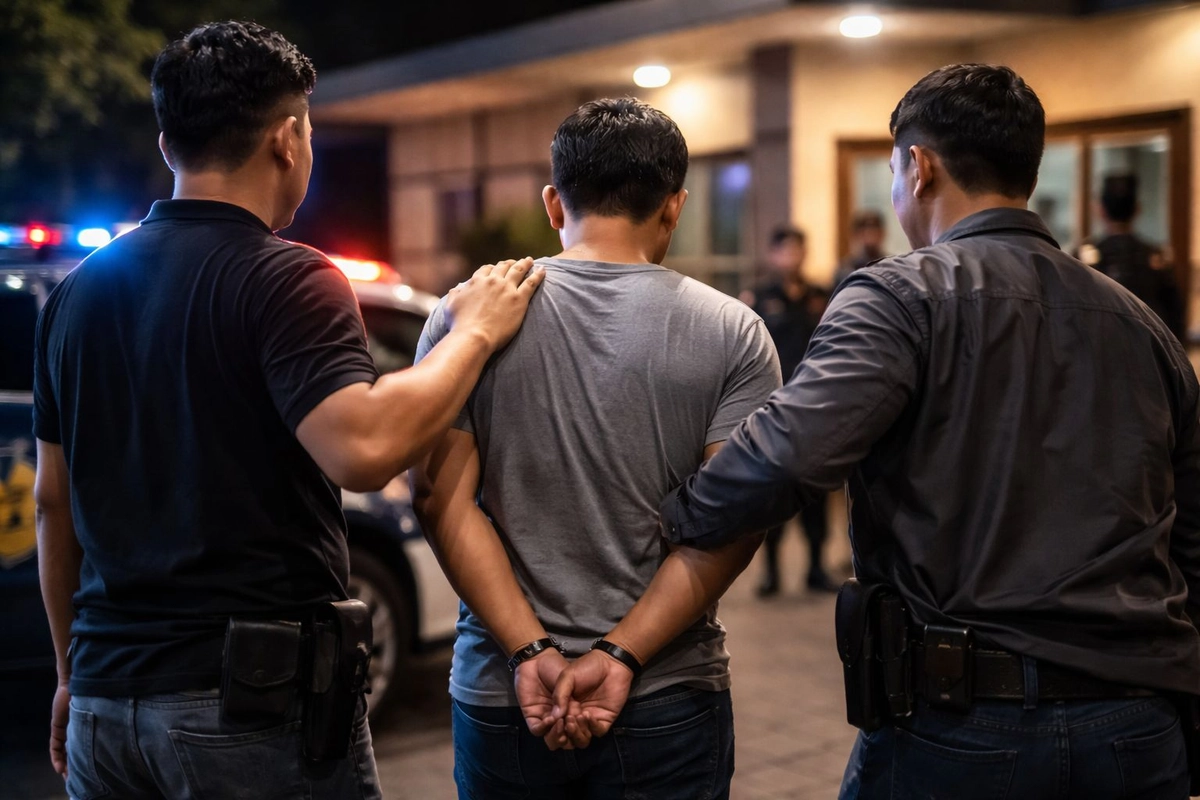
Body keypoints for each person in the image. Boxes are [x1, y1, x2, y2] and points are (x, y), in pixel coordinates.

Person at [33, 21, 543, 800]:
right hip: (245, 708)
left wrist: (70, 675)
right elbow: (362, 448)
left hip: (104, 708)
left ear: (168, 145)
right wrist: (473, 334)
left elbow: (52, 502)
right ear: (288, 139)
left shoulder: (74, 295)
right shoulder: (288, 278)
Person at [661, 63, 1199, 798]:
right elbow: (1190, 536)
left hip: (964, 727)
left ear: (919, 168)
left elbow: (784, 459)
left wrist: (669, 520)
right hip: (1138, 728)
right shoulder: (1142, 325)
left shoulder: (899, 297)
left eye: (892, 169)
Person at [410, 98, 779, 799]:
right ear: (674, 207)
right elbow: (734, 521)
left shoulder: (472, 312)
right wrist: (620, 654)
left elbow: (438, 501)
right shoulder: (734, 332)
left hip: (502, 691)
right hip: (666, 691)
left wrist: (530, 650)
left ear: (554, 203)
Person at [743, 226, 836, 595]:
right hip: (773, 411)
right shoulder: (759, 298)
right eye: (785, 250)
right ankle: (771, 573)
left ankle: (816, 568)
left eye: (798, 249)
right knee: (771, 491)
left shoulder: (820, 296)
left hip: (813, 409)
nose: (792, 257)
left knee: (815, 492)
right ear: (773, 254)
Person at [1076, 174, 1186, 340]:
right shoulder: (1157, 258)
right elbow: (1175, 320)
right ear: (1137, 209)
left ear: (1100, 210)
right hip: (1148, 350)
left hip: (1095, 350)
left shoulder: (1082, 258)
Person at [832, 208, 887, 289]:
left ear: (882, 234)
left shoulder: (888, 266)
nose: (870, 236)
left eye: (875, 231)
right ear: (855, 235)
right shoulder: (845, 270)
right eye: (865, 232)